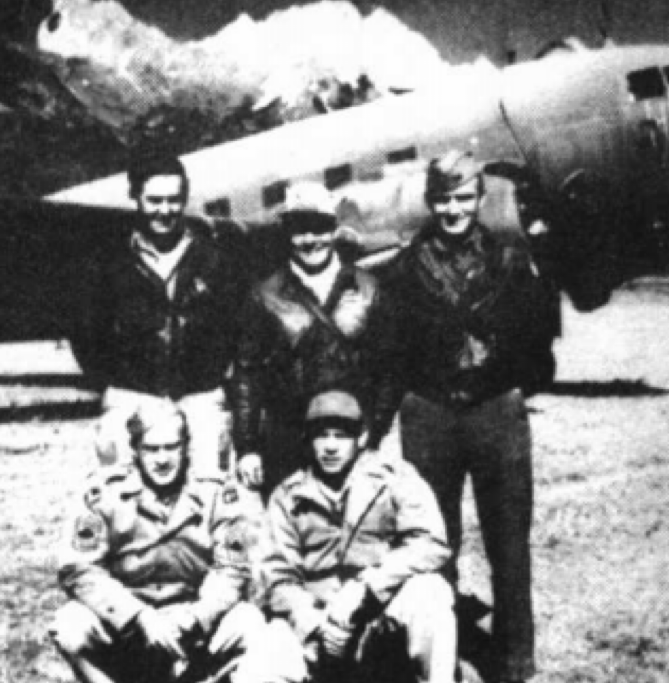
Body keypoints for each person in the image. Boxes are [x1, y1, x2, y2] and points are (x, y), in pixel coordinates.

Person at [385, 150, 551, 682]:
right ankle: (444, 656)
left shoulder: (510, 260)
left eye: (463, 198)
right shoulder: (404, 268)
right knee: (435, 539)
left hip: (496, 409)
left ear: (480, 199)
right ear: (429, 202)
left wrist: (509, 387)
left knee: (509, 538)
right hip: (429, 411)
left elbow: (537, 335)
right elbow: (392, 346)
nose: (453, 209)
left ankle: (514, 659)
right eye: (443, 199)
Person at [49, 399, 296, 683]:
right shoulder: (104, 494)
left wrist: (196, 617)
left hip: (195, 621)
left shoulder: (214, 492)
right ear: (135, 450)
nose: (162, 459)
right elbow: (78, 568)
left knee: (249, 622)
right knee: (70, 625)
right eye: (151, 449)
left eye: (171, 447)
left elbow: (232, 567)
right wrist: (139, 617)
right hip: (127, 625)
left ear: (185, 448)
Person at [261, 387, 456, 683]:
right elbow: (276, 578)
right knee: (265, 653)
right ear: (307, 440)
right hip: (316, 628)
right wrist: (315, 625)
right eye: (321, 436)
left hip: (377, 621)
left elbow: (431, 543)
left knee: (431, 591)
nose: (330, 447)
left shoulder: (393, 478)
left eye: (341, 436)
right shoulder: (287, 497)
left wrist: (365, 587)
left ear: (361, 438)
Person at [84, 145, 251, 475]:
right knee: (121, 492)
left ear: (185, 199)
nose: (165, 210)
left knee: (208, 488)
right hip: (130, 397)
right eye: (154, 200)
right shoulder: (109, 264)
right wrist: (120, 385)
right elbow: (89, 334)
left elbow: (239, 333)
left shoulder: (216, 262)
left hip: (201, 398)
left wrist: (213, 384)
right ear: (135, 197)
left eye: (174, 200)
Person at [230, 182, 401, 496]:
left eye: (319, 227)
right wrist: (247, 447)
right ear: (286, 232)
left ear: (334, 228)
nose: (309, 240)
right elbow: (247, 374)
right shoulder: (263, 296)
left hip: (350, 435)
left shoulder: (369, 289)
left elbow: (389, 369)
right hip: (288, 440)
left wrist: (374, 433)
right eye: (299, 229)